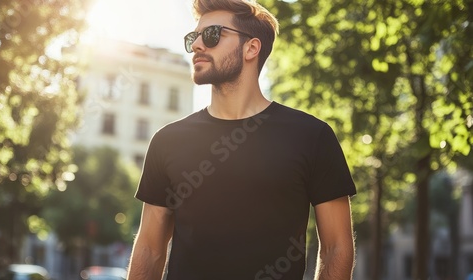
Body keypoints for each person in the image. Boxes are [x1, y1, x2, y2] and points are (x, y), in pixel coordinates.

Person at [126, 0, 356, 279]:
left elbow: (336, 248)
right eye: (193, 37)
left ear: (251, 48)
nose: (198, 45)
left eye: (212, 35)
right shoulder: (167, 140)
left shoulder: (312, 136)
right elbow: (149, 250)